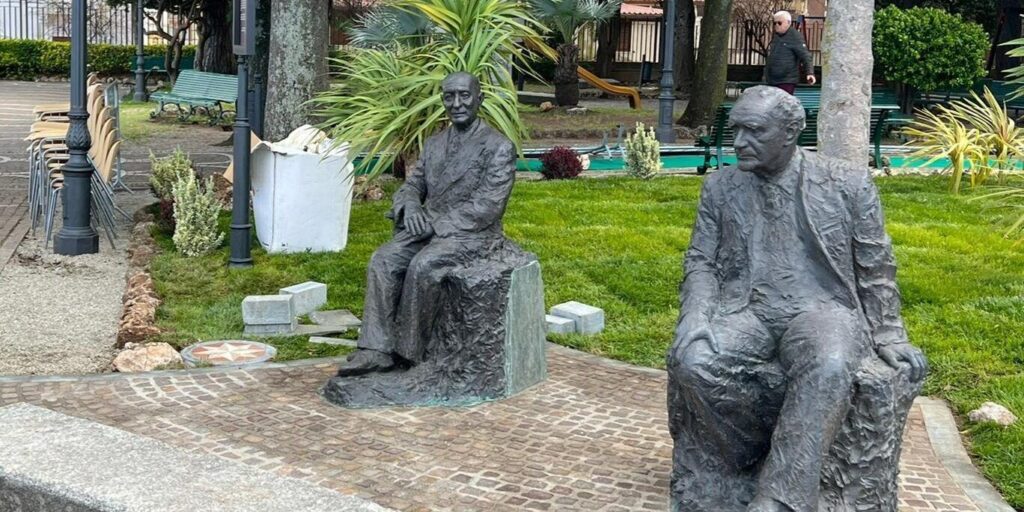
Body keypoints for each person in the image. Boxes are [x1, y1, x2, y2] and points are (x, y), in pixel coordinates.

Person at [666, 86, 927, 512]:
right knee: (693, 362)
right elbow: (701, 262)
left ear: (789, 133)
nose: (739, 142)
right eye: (736, 130)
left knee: (830, 363)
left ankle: (780, 498)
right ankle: (750, 457)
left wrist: (890, 335)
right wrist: (694, 316)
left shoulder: (847, 184)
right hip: (747, 309)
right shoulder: (720, 186)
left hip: (823, 309)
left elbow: (876, 267)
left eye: (754, 131)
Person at [335, 71, 517, 377]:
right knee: (383, 259)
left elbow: (487, 206)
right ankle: (376, 350)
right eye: (449, 97)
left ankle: (408, 354)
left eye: (464, 95)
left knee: (423, 265)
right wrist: (410, 206)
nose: (456, 103)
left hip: (471, 235)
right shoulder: (433, 144)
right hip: (427, 229)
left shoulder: (498, 146)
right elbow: (412, 185)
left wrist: (434, 222)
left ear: (480, 99)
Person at [764, 11, 815, 94]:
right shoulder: (776, 36)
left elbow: (805, 55)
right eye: (774, 23)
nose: (776, 25)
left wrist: (810, 73)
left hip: (786, 81)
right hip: (772, 80)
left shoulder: (795, 36)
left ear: (788, 23)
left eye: (779, 23)